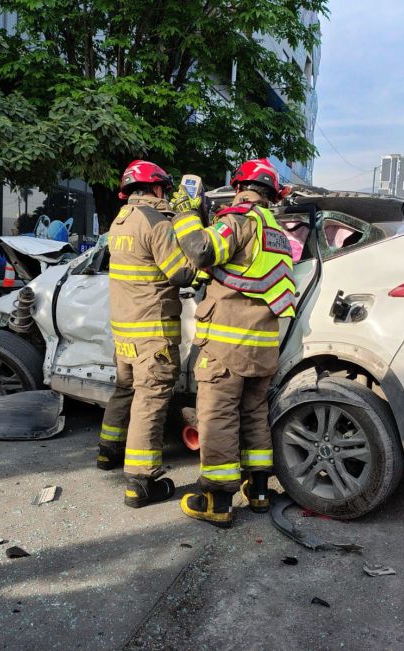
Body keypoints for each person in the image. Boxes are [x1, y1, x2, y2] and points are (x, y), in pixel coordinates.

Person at [172, 158, 296, 527]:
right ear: (273, 194)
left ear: (240, 185)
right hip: (262, 346)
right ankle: (258, 491)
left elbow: (200, 250)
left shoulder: (239, 221)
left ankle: (217, 499)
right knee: (254, 413)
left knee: (217, 417)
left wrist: (185, 213)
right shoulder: (277, 232)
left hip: (227, 345)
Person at [96, 160, 196, 510]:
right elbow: (181, 274)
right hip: (152, 332)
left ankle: (108, 451)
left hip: (125, 331)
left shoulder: (120, 220)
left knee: (125, 390)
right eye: (164, 190)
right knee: (149, 400)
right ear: (157, 189)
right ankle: (140, 482)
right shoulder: (156, 222)